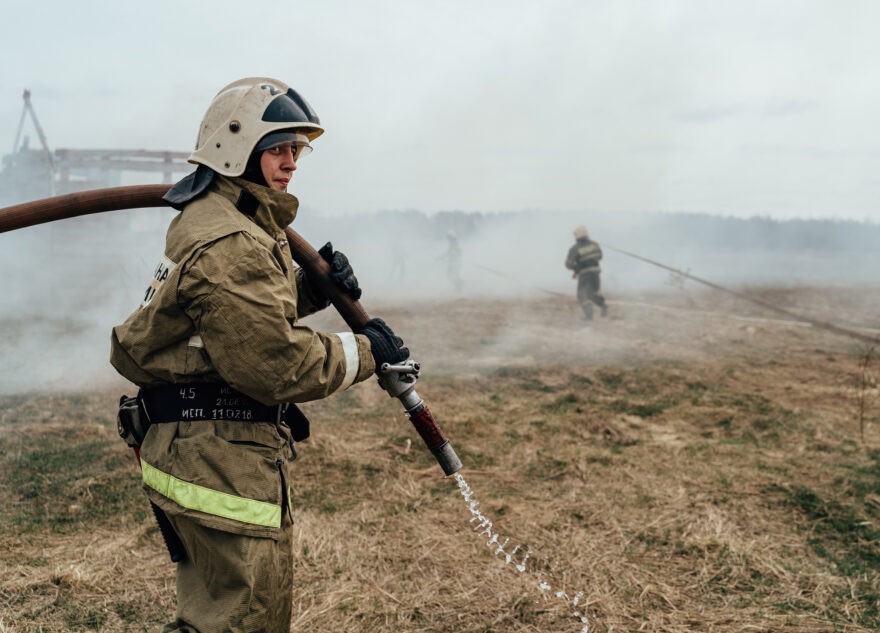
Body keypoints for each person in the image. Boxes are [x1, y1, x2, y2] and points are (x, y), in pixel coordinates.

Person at [109, 77, 409, 633]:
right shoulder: (232, 242)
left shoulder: (220, 221)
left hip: (192, 448)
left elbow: (224, 323)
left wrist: (310, 290)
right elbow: (276, 364)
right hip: (218, 458)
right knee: (246, 620)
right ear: (234, 149)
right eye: (278, 147)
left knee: (210, 615)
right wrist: (369, 351)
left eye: (297, 149)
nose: (291, 161)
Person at [565, 225, 608, 320]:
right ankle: (603, 306)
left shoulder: (575, 249)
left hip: (585, 274)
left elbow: (568, 264)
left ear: (576, 236)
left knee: (582, 295)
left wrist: (577, 267)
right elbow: (600, 256)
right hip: (596, 272)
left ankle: (588, 316)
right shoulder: (595, 244)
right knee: (593, 294)